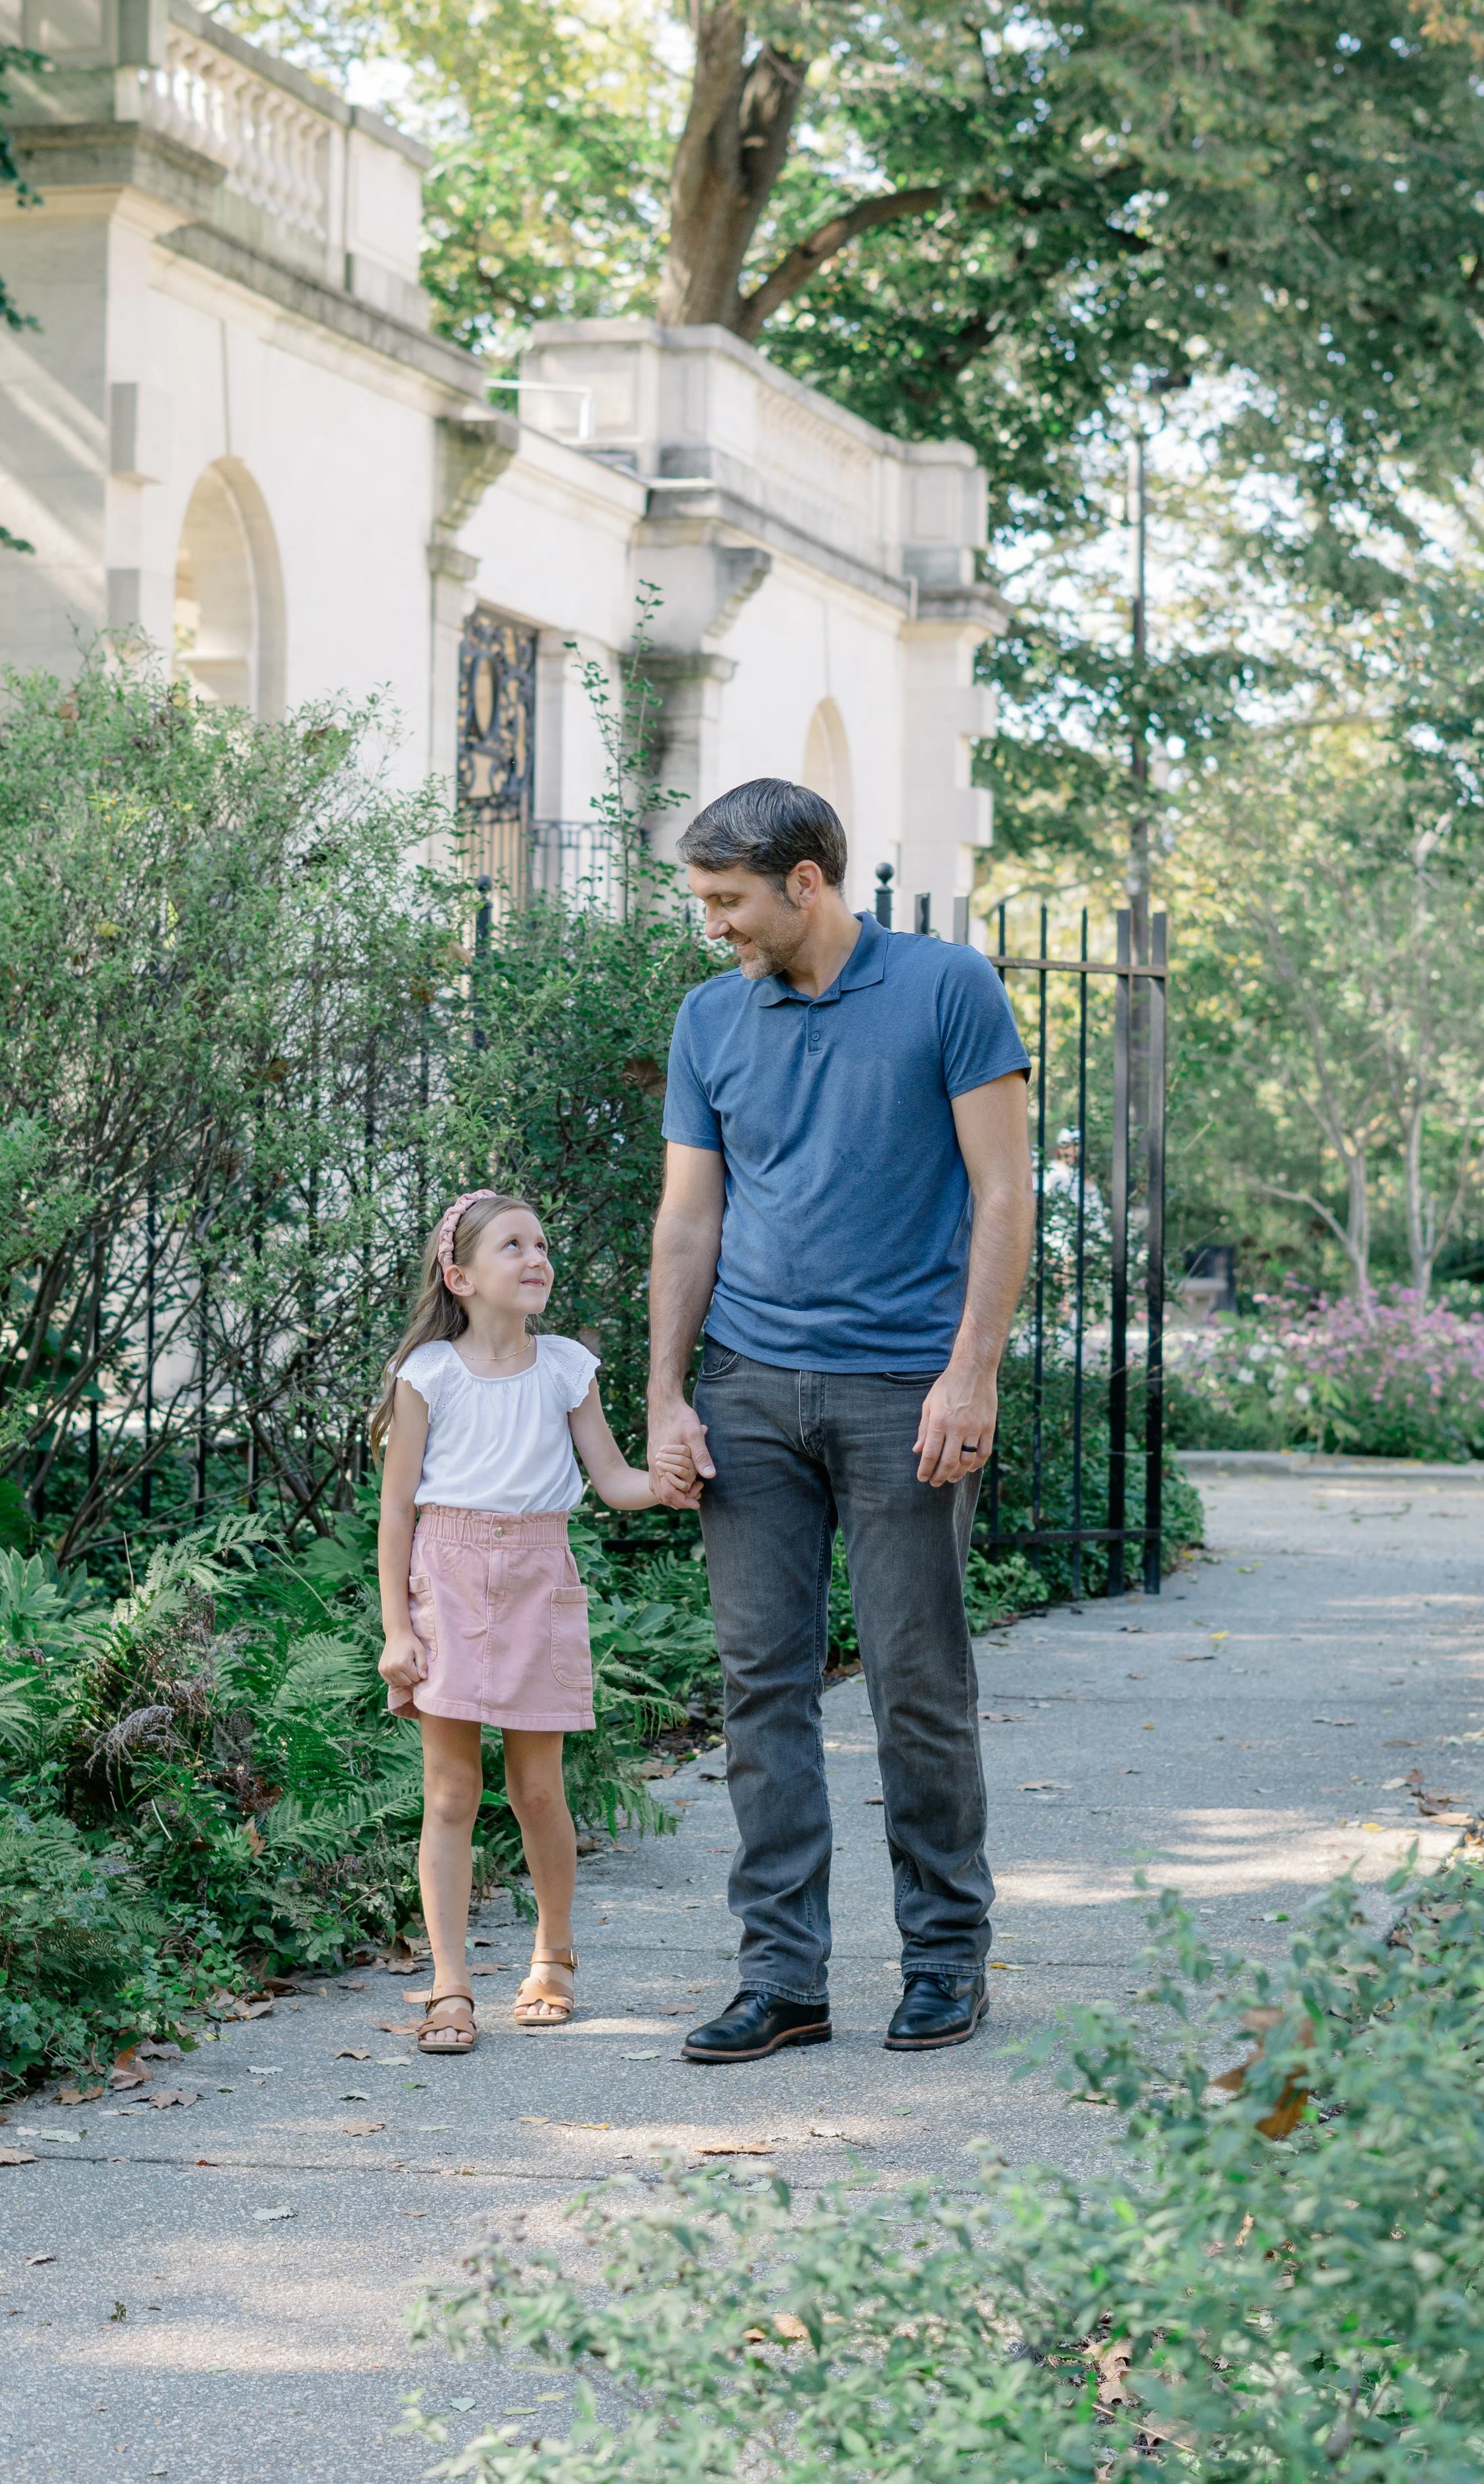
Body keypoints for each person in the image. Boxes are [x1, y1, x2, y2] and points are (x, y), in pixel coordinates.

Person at [648, 780, 1034, 2063]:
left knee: (915, 1684)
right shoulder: (709, 1020)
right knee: (758, 1689)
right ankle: (782, 1977)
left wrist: (968, 1372)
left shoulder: (945, 991)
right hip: (748, 1395)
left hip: (898, 1395)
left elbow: (999, 1194)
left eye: (725, 900)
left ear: (803, 881)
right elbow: (688, 1221)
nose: (712, 926)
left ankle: (941, 1959)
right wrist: (661, 1396)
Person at [374, 1190, 684, 2055]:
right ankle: (449, 1986)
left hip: (542, 1578)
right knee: (450, 1792)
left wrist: (678, 1475)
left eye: (542, 1242)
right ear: (461, 1274)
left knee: (538, 1790)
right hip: (449, 1576)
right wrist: (398, 1629)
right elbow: (397, 1511)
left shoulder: (566, 1368)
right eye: (513, 1245)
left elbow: (616, 1480)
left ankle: (553, 1952)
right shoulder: (427, 1376)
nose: (536, 1256)